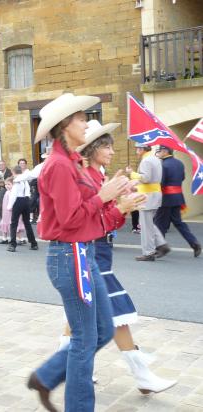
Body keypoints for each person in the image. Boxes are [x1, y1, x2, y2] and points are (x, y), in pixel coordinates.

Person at [26, 93, 143, 412]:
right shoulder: (59, 166)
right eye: (80, 118)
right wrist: (105, 197)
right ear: (65, 126)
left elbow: (91, 220)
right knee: (85, 339)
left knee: (103, 329)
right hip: (70, 257)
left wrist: (119, 206)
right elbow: (71, 219)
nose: (86, 122)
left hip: (82, 253)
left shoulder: (72, 162)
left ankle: (46, 376)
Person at [57, 120, 176, 394]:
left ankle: (63, 368)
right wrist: (120, 205)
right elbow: (86, 217)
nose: (112, 151)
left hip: (100, 250)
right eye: (107, 146)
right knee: (117, 313)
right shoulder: (83, 176)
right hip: (90, 251)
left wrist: (123, 202)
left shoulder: (97, 175)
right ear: (93, 149)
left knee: (79, 317)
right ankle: (142, 376)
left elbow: (107, 219)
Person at [154, 145, 201, 257]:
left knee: (159, 223)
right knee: (179, 223)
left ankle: (161, 248)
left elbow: (161, 183)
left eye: (159, 151)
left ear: (165, 151)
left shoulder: (163, 165)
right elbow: (183, 177)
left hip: (166, 198)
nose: (158, 153)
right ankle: (194, 243)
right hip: (178, 197)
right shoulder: (179, 163)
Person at [126, 143, 170, 261]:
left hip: (148, 197)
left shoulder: (146, 161)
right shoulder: (155, 159)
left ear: (142, 149)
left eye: (137, 149)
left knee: (145, 226)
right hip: (154, 195)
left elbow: (146, 178)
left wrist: (132, 173)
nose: (136, 151)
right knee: (148, 223)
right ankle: (161, 244)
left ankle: (148, 252)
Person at [7, 164, 38, 252]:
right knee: (27, 222)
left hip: (18, 201)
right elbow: (28, 192)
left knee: (14, 223)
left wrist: (9, 206)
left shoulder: (16, 180)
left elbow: (14, 194)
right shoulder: (25, 180)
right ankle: (33, 243)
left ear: (13, 172)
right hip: (26, 200)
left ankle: (12, 245)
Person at [0, 177, 24, 244]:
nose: (7, 186)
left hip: (12, 211)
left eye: (9, 184)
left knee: (15, 224)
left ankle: (20, 239)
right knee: (4, 223)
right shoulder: (7, 192)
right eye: (6, 184)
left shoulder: (14, 192)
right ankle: (4, 238)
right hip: (6, 211)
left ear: (13, 185)